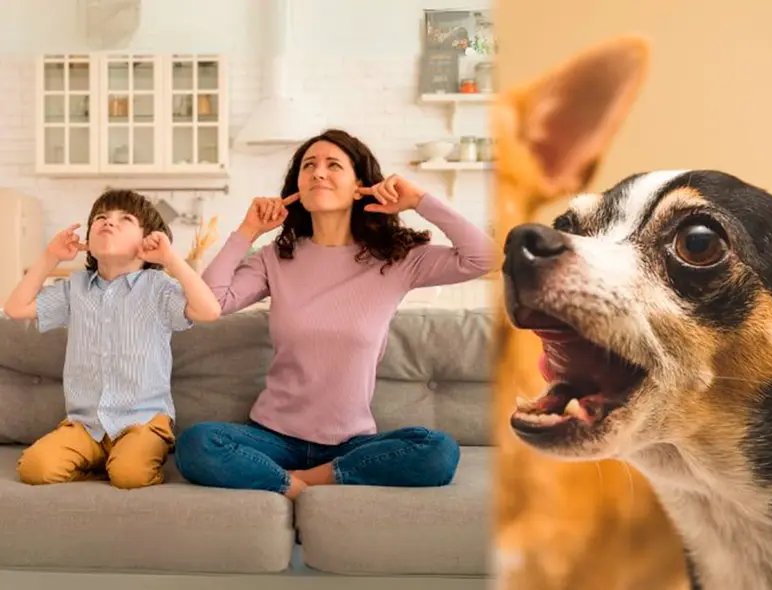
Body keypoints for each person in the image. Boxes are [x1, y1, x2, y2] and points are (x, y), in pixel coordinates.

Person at [173, 128, 495, 499]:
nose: (318, 173)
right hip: (273, 438)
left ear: (360, 184)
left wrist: (419, 200)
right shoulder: (276, 258)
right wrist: (248, 231)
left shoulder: (397, 259)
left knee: (438, 451)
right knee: (197, 443)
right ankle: (306, 480)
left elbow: (484, 258)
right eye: (308, 165)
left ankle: (295, 483)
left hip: (351, 443)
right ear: (298, 185)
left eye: (333, 165)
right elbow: (211, 304)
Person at [3, 189, 222, 489]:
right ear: (89, 242)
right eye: (101, 218)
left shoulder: (158, 288)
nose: (109, 222)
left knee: (130, 475)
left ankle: (127, 458)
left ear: (148, 241)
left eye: (125, 218)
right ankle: (104, 461)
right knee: (34, 468)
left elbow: (209, 311)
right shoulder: (75, 289)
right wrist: (50, 257)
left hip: (142, 422)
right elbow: (15, 309)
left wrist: (170, 258)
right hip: (86, 425)